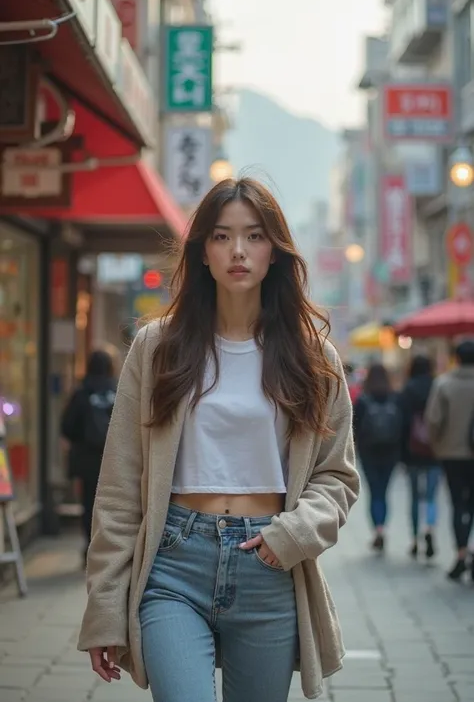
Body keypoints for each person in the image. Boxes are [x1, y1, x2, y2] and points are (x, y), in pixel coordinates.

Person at [76, 177, 360, 702]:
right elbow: (119, 485)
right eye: (222, 236)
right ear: (201, 250)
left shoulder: (313, 357)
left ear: (274, 251)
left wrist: (291, 536)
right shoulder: (157, 347)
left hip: (268, 563)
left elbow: (337, 476)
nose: (237, 251)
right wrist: (105, 608)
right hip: (173, 561)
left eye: (253, 236)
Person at [61, 350, 117, 566]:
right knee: (113, 503)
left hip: (87, 459)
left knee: (88, 503)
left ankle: (90, 548)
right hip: (112, 459)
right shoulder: (118, 389)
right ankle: (109, 549)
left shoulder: (82, 392)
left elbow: (67, 426)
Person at [425, 340, 474, 582]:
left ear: (457, 358)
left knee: (457, 504)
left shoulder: (444, 383)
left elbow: (433, 420)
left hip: (452, 453)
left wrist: (438, 445)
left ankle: (461, 553)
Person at [353, 363, 402, 552]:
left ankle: (378, 530)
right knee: (384, 490)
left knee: (374, 492)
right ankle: (383, 527)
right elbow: (403, 426)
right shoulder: (395, 398)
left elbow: (354, 426)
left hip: (369, 452)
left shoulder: (363, 399)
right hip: (391, 452)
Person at [399, 355, 441, 560]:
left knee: (415, 496)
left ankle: (415, 539)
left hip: (413, 451)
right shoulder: (437, 386)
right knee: (431, 496)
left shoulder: (408, 389)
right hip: (435, 450)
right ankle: (430, 529)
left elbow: (402, 423)